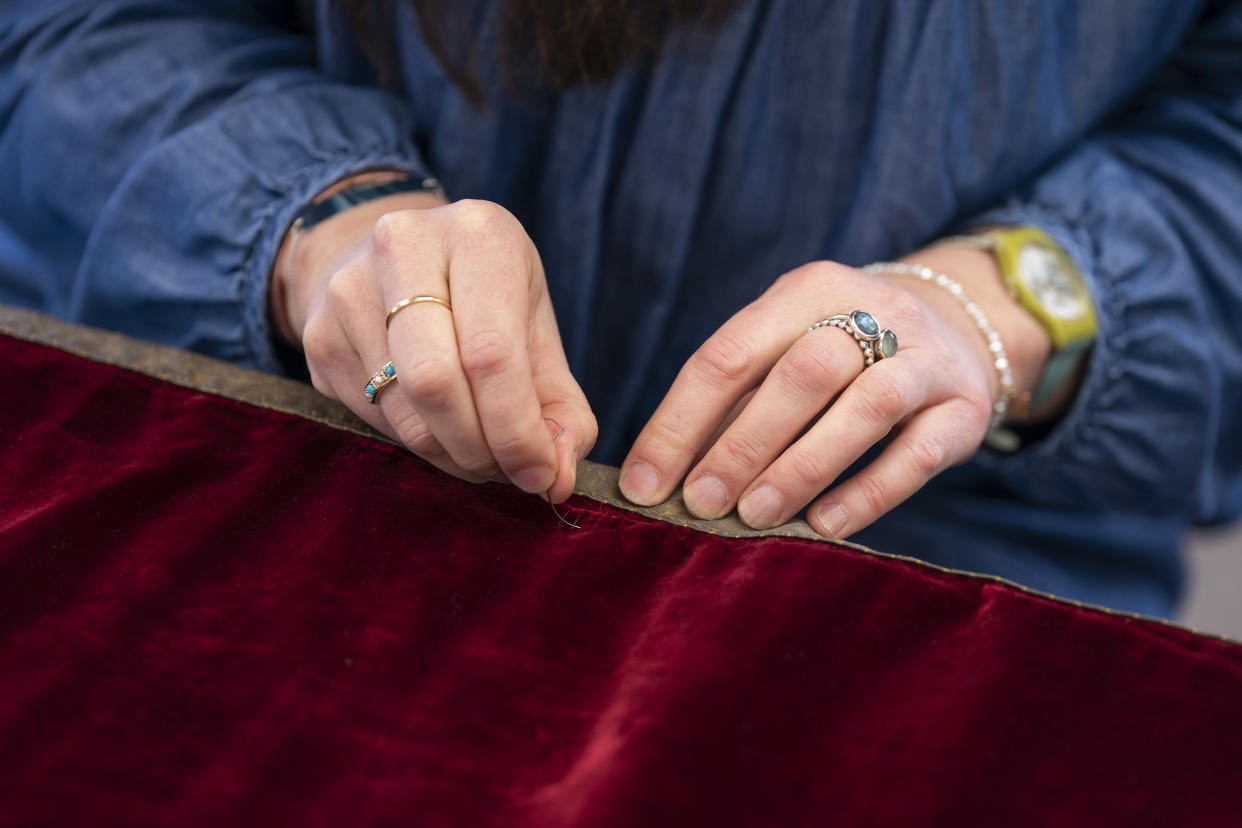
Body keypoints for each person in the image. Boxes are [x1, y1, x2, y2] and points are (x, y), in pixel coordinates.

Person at [2, 1, 1240, 618]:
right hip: (289, 491)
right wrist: (321, 225)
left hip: (943, 581)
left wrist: (998, 308)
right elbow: (68, 26)